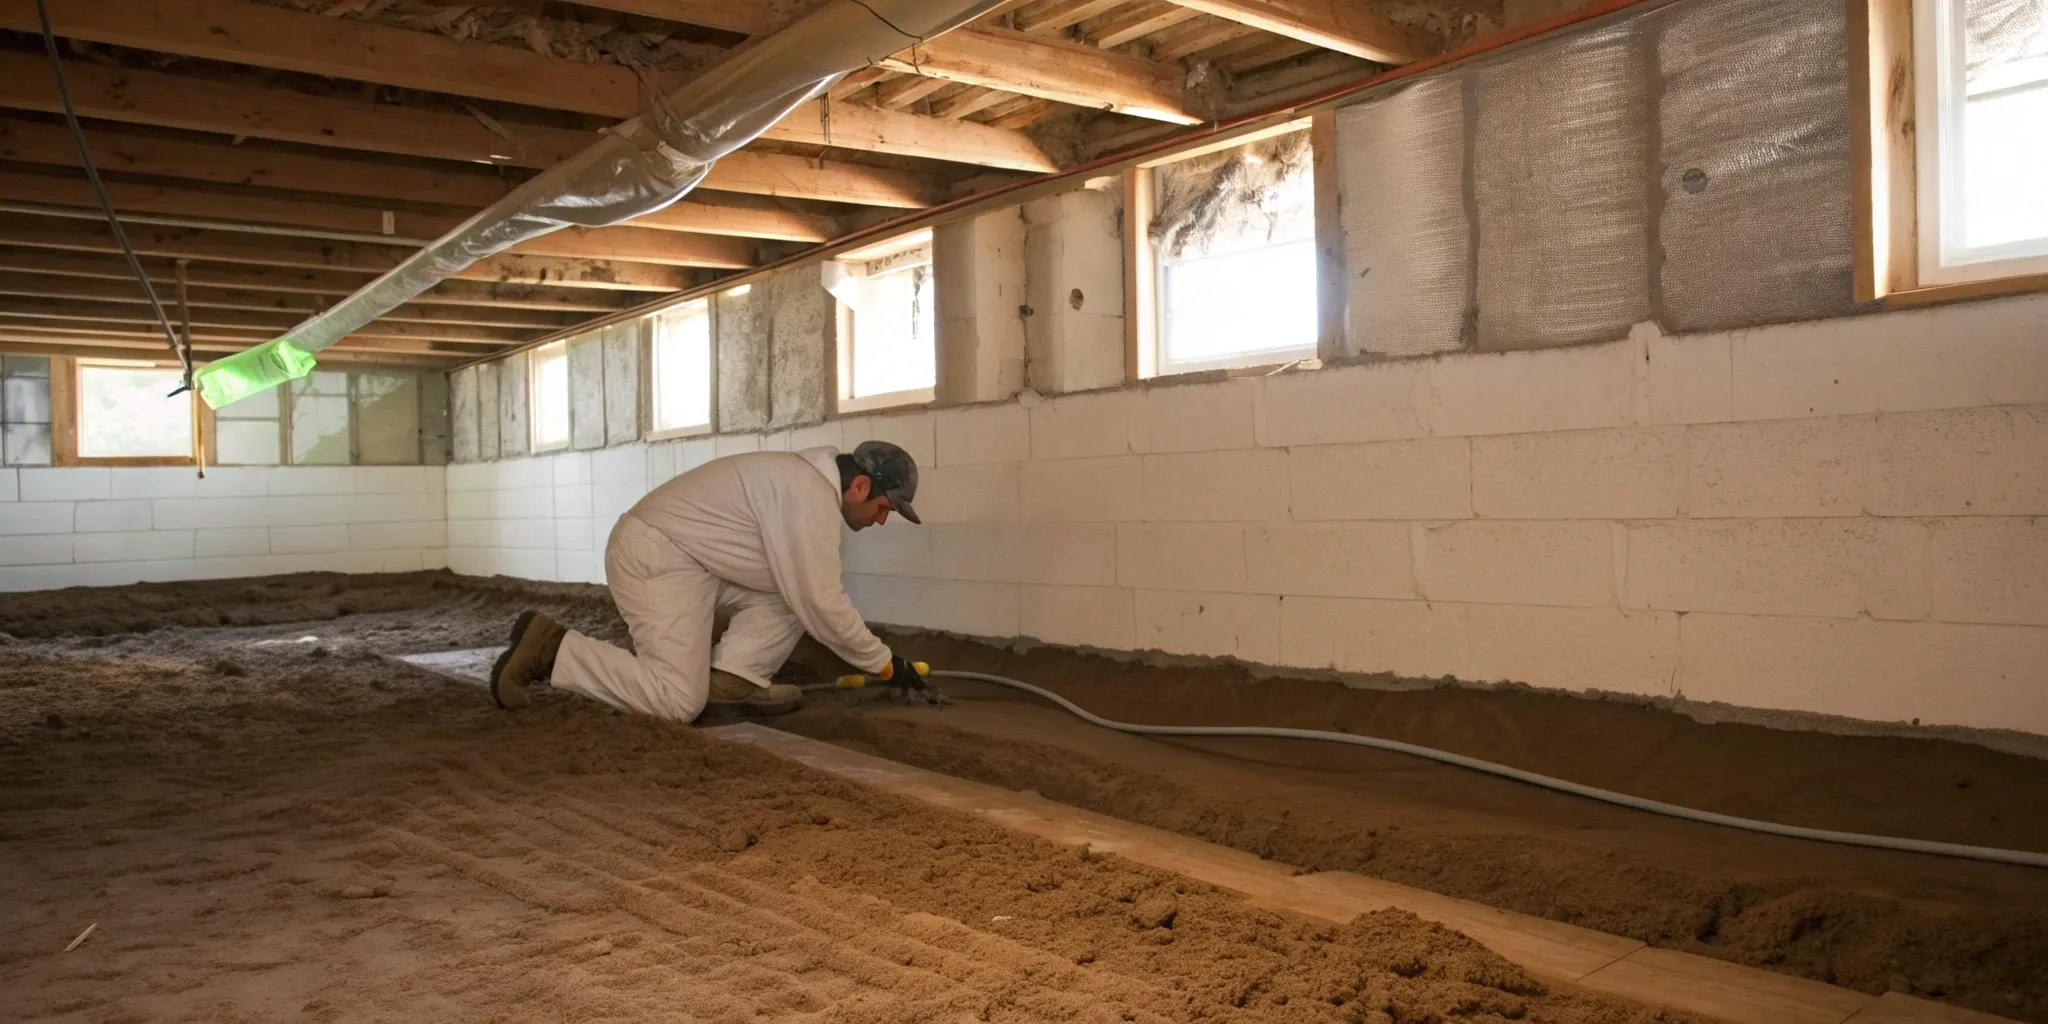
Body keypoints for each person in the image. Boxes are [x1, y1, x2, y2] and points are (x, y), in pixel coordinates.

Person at [487, 440, 925, 722]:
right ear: (861, 486)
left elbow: (806, 594)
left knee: (792, 593)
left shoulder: (806, 485)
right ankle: (553, 648)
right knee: (677, 701)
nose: (883, 520)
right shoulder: (807, 495)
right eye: (885, 508)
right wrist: (886, 664)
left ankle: (736, 679)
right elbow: (823, 603)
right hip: (657, 557)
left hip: (692, 561)